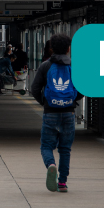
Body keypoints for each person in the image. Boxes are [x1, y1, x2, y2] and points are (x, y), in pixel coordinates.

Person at [30, 33, 84, 193]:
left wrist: (46, 103)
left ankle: (51, 165)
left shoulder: (45, 66)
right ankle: (62, 182)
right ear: (68, 49)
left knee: (46, 146)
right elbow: (82, 89)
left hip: (50, 112)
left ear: (51, 48)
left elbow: (34, 88)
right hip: (68, 112)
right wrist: (72, 100)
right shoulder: (74, 66)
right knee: (65, 149)